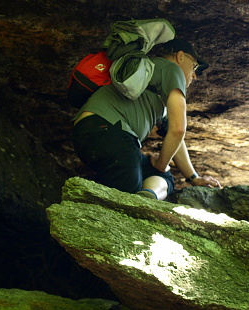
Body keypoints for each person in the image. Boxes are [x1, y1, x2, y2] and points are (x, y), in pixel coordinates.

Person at [72, 38, 221, 200]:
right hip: (111, 132)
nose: (194, 75)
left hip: (86, 134)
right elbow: (178, 129)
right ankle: (139, 203)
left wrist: (194, 178)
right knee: (126, 204)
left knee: (163, 178)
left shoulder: (149, 78)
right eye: (194, 67)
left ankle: (146, 196)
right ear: (180, 57)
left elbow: (176, 139)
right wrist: (161, 165)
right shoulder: (172, 69)